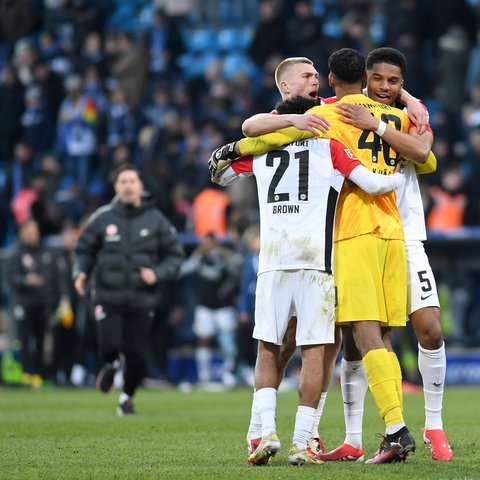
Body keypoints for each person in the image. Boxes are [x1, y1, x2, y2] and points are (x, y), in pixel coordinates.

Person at [211, 47, 422, 464]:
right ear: (288, 86)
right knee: (316, 347)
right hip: (320, 260)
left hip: (271, 262)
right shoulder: (328, 137)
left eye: (316, 75)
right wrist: (401, 169)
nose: (315, 81)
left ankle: (262, 432)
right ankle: (302, 439)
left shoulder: (261, 143)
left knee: (271, 347)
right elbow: (385, 175)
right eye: (306, 76)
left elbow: (223, 163)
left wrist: (233, 151)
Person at [317, 47, 453, 462]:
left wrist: (397, 111)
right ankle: (357, 436)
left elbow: (423, 154)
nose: (385, 87)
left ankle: (432, 424)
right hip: (368, 232)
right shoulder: (345, 109)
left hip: (405, 236)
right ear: (365, 78)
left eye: (394, 82)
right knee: (360, 339)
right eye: (378, 79)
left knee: (426, 326)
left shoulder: (400, 115)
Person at [72, 163, 184, 415]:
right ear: (116, 187)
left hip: (141, 298)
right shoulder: (103, 217)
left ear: (140, 186)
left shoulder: (156, 220)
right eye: (123, 182)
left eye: (132, 181)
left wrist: (157, 273)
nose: (128, 186)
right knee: (109, 344)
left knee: (136, 356)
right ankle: (111, 364)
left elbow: (175, 255)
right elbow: (84, 250)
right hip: (106, 294)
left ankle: (127, 397)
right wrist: (80, 273)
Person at [179, 232, 243, 388]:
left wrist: (227, 256)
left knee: (228, 342)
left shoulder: (224, 258)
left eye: (206, 243)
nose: (204, 246)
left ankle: (230, 374)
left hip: (224, 307)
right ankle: (204, 376)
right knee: (203, 339)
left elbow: (239, 268)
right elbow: (182, 270)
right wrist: (196, 257)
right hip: (205, 307)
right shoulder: (199, 259)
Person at [5, 218, 63, 388]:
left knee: (40, 341)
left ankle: (39, 374)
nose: (33, 234)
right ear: (22, 233)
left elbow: (55, 279)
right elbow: (10, 278)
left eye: (35, 231)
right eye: (29, 231)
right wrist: (25, 280)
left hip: (42, 304)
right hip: (23, 304)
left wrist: (58, 300)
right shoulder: (15, 254)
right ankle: (25, 374)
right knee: (23, 340)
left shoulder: (46, 253)